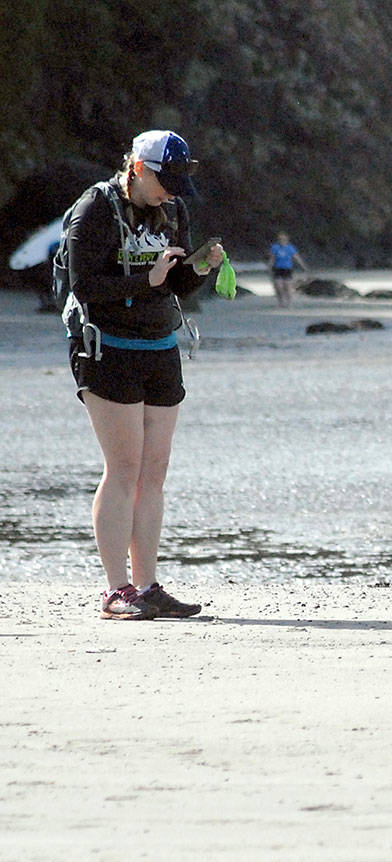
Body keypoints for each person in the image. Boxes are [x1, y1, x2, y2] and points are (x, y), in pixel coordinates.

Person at [64, 129, 224, 620]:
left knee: (154, 473)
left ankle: (147, 584)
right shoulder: (96, 208)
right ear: (137, 168)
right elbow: (83, 285)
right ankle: (117, 591)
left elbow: (175, 284)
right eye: (164, 182)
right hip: (106, 347)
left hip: (159, 346)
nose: (170, 193)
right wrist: (145, 279)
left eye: (177, 184)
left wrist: (200, 269)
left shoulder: (173, 209)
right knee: (124, 467)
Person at [267, 232, 306, 307]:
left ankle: (289, 303)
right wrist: (269, 267)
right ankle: (280, 302)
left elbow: (296, 257)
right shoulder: (275, 248)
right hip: (277, 269)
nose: (282, 241)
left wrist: (303, 266)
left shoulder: (290, 248)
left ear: (287, 240)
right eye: (280, 239)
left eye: (284, 239)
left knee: (287, 286)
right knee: (278, 287)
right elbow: (272, 258)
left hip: (287, 269)